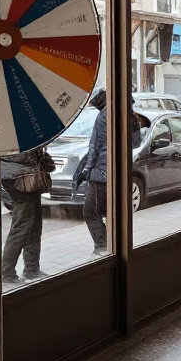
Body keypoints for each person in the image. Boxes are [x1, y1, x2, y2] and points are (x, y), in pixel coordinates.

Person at [1, 146, 55, 285]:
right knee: (22, 224)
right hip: (20, 177)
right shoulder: (18, 133)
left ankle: (32, 268)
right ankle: (7, 273)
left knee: (34, 223)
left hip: (26, 175)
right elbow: (22, 155)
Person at [75, 88, 107, 254]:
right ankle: (110, 244)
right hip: (117, 173)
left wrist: (86, 170)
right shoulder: (127, 112)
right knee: (111, 211)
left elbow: (94, 147)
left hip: (101, 174)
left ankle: (102, 246)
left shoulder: (103, 116)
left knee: (90, 212)